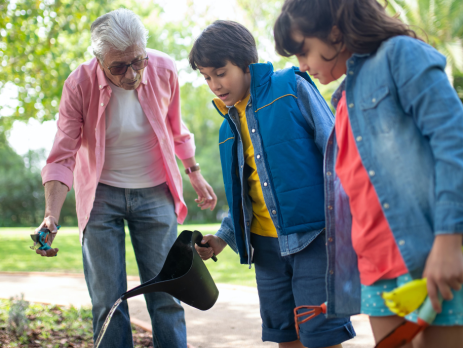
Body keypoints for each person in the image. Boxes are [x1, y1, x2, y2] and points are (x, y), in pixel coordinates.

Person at [273, 0, 463, 347]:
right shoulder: (344, 98)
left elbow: (455, 143)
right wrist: (344, 284)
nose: (302, 66)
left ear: (334, 32)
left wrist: (450, 240)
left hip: (430, 256)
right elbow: (355, 197)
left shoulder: (401, 55)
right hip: (377, 270)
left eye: (304, 52)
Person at [37, 8, 216, 348]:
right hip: (101, 196)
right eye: (119, 66)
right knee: (108, 301)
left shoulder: (163, 68)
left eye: (138, 61)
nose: (132, 74)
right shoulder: (79, 84)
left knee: (168, 294)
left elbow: (176, 129)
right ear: (99, 59)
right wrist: (51, 215)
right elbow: (62, 155)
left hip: (155, 192)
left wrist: (194, 172)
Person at [190, 20, 355, 348]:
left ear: (245, 63)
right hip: (265, 249)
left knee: (321, 335)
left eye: (221, 73)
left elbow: (337, 153)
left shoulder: (290, 88)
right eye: (206, 77)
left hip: (313, 238)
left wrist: (355, 219)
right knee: (284, 335)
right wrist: (223, 237)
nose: (214, 85)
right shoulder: (227, 129)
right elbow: (247, 193)